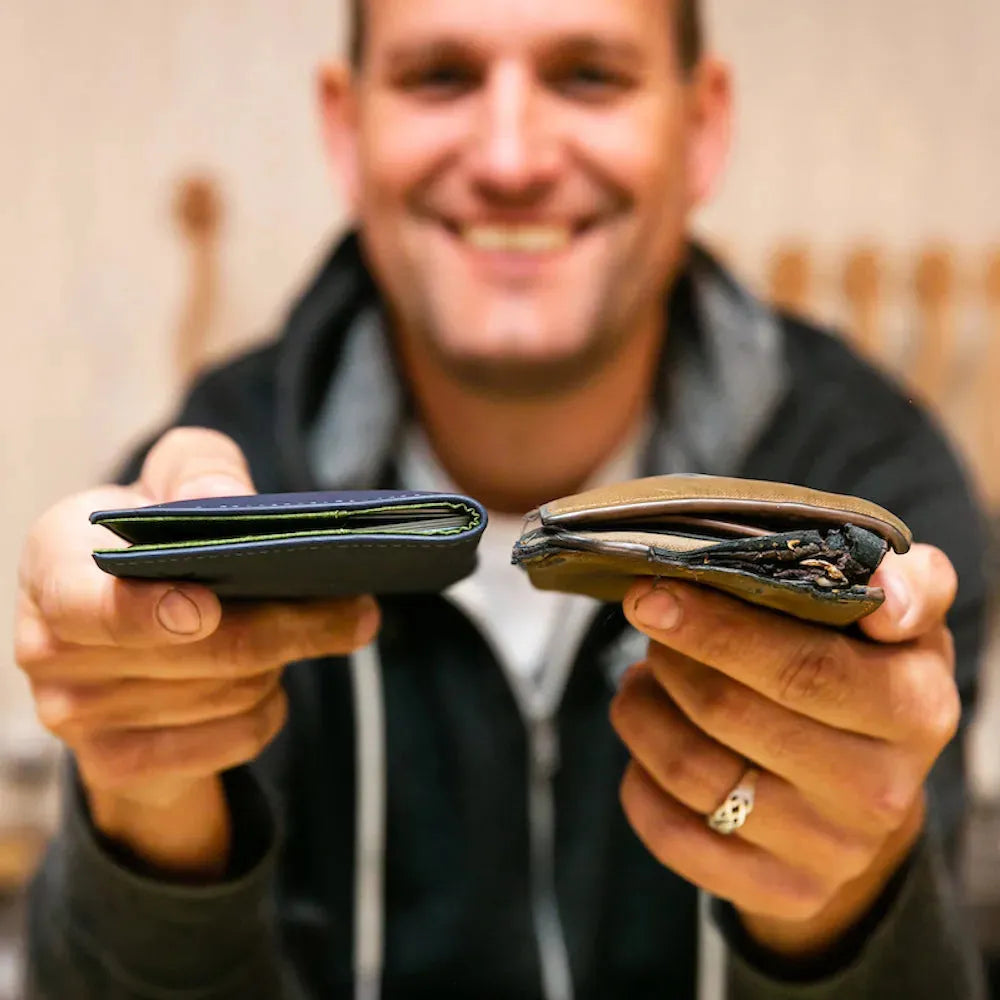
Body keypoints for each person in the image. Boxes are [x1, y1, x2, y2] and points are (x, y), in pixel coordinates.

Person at [16, 1, 990, 997]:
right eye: (441, 76)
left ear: (700, 127)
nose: (512, 157)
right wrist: (146, 803)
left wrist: (841, 890)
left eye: (588, 76)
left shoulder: (874, 487)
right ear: (345, 129)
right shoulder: (213, 495)